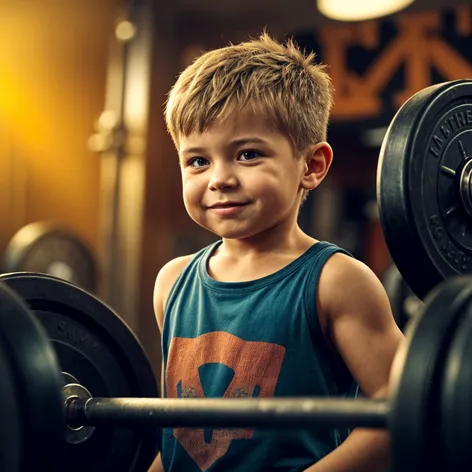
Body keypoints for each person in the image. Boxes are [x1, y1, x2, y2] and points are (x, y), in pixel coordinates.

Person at [148, 32, 403, 472]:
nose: (219, 178)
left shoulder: (336, 281)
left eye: (247, 154)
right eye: (197, 161)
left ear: (312, 166)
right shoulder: (172, 282)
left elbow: (402, 410)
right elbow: (180, 434)